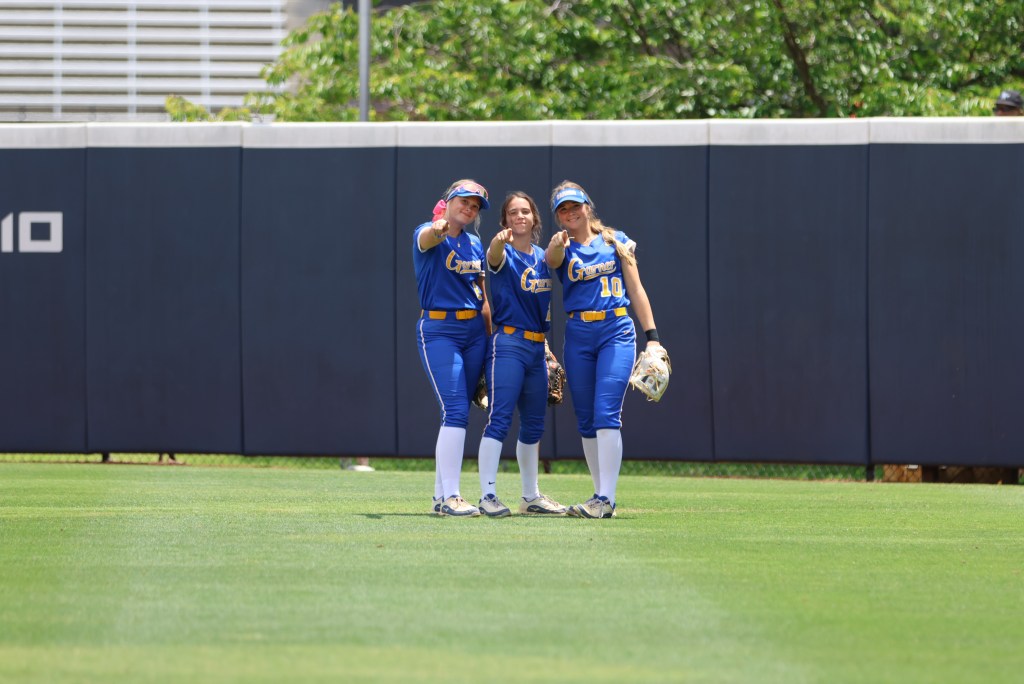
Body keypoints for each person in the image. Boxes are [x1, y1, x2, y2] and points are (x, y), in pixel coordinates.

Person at [545, 181, 663, 519]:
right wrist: (555, 245)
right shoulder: (562, 246)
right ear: (558, 216)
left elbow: (636, 290)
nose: (570, 212)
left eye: (575, 205)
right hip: (579, 332)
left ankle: (606, 499)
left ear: (587, 206)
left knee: (606, 412)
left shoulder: (615, 240)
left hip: (615, 329)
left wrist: (652, 337)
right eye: (563, 209)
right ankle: (599, 496)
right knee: (585, 418)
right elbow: (552, 259)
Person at [475, 192, 569, 517]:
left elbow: (544, 306)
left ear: (534, 218)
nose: (519, 216)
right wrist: (497, 241)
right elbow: (493, 255)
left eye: (525, 211)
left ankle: (530, 496)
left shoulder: (543, 257)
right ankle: (487, 495)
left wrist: (545, 348)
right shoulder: (504, 253)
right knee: (499, 419)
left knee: (534, 424)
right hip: (509, 343)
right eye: (513, 212)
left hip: (536, 347)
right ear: (505, 220)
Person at [413, 179, 492, 517]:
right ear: (447, 202)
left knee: (457, 413)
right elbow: (426, 237)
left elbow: (483, 296)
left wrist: (490, 340)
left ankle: (440, 496)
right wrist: (438, 228)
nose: (470, 208)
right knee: (456, 410)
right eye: (464, 201)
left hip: (474, 331)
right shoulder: (428, 232)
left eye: (475, 206)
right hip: (440, 329)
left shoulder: (474, 243)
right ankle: (453, 497)